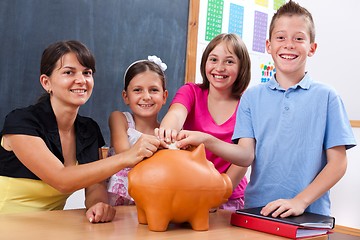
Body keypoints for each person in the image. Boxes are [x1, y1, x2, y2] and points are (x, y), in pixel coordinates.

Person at [172, 1, 356, 217]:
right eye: (281, 37)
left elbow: (338, 164)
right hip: (258, 210)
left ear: (312, 48)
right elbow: (245, 155)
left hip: (310, 215)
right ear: (268, 46)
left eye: (298, 38)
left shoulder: (327, 97)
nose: (289, 44)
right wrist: (206, 139)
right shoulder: (251, 97)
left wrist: (300, 201)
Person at [0, 40, 160, 222]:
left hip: (51, 224)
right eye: (69, 72)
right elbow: (61, 179)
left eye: (87, 73)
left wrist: (97, 204)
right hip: (6, 223)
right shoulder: (22, 122)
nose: (81, 80)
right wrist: (127, 156)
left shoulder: (88, 129)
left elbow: (95, 184)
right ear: (46, 83)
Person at [155, 33, 251, 211]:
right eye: (213, 59)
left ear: (241, 68)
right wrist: (168, 129)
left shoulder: (247, 105)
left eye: (229, 62)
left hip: (229, 197)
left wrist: (217, 196)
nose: (219, 68)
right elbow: (176, 113)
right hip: (191, 191)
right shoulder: (191, 91)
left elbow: (243, 160)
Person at [107, 56, 168, 206]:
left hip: (149, 202)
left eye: (153, 90)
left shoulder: (165, 132)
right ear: (126, 97)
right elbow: (125, 153)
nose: (146, 97)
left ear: (164, 96)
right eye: (137, 90)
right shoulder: (120, 119)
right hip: (116, 205)